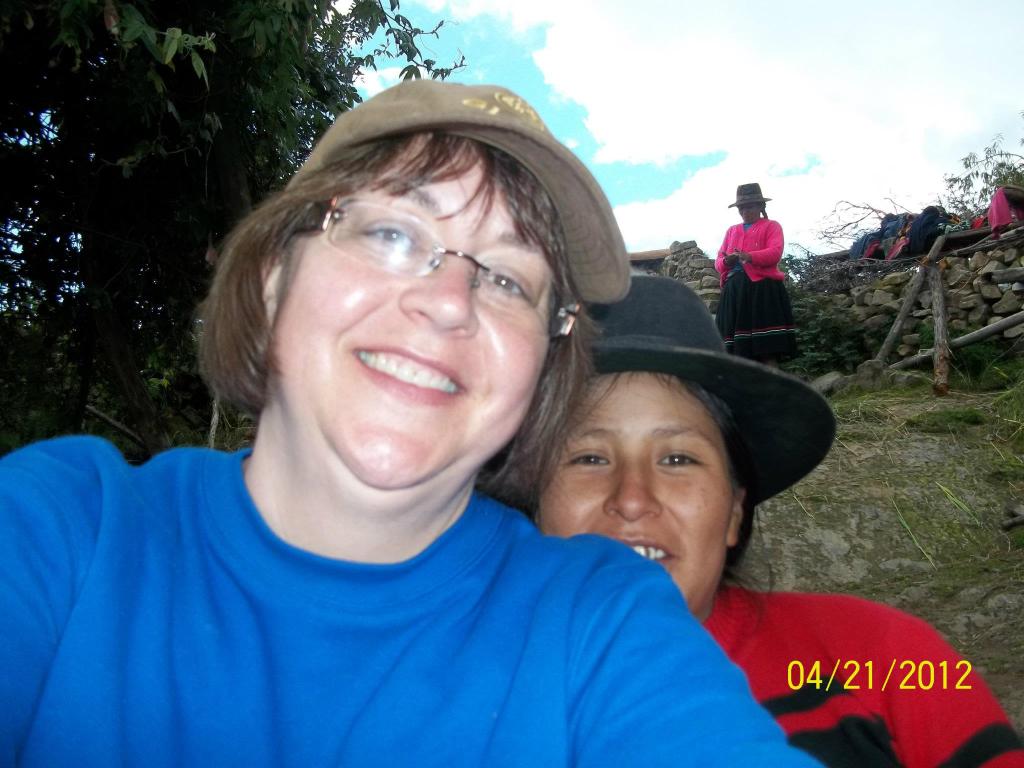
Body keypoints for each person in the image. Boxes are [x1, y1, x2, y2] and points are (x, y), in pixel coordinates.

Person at [0, 82, 818, 766]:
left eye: (508, 279)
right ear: (276, 275)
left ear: (542, 367)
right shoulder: (63, 530)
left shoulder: (601, 620)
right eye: (393, 232)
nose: (449, 301)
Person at [538, 274, 1024, 767]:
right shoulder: (490, 703)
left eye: (679, 459)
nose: (632, 499)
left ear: (735, 509)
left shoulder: (890, 663)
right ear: (530, 498)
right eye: (589, 458)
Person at [714, 183, 796, 364]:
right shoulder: (731, 231)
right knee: (737, 350)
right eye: (741, 208)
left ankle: (771, 378)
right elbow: (718, 262)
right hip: (734, 292)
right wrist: (727, 261)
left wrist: (749, 256)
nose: (745, 211)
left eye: (749, 206)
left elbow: (775, 252)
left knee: (768, 347)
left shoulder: (772, 226)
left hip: (763, 290)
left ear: (760, 206)